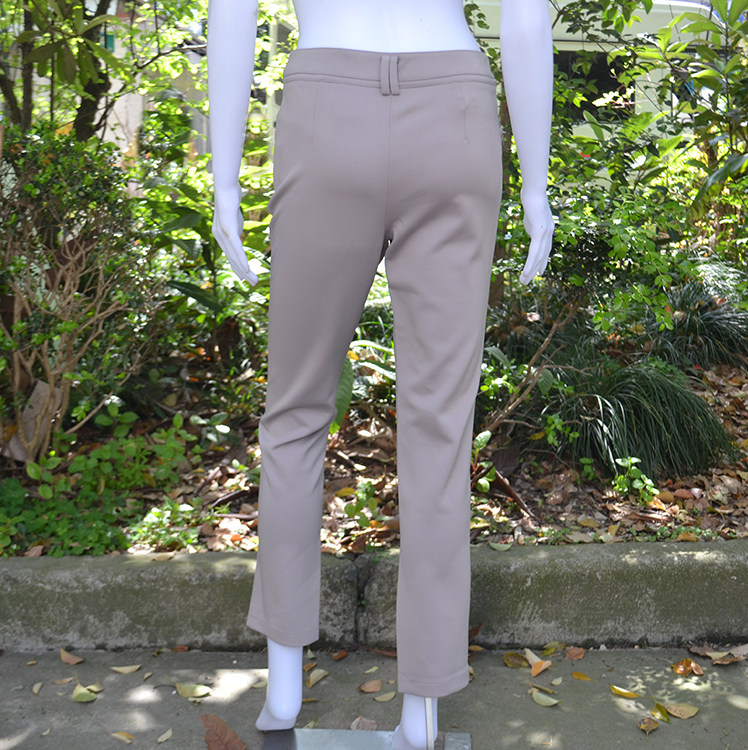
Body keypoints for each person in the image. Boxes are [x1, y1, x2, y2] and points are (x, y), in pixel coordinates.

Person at [208, 1, 554, 748]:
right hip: (455, 115)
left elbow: (230, 9)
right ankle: (422, 709)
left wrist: (223, 178)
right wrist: (537, 186)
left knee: (295, 411)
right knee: (441, 429)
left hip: (327, 113)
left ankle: (283, 689)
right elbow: (527, 17)